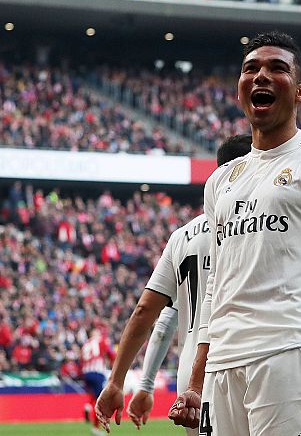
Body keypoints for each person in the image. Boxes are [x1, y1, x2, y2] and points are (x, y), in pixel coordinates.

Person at [170, 31, 301, 436]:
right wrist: (196, 380)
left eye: (276, 68)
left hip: (290, 356)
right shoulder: (222, 180)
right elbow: (216, 287)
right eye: (251, 69)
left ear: (300, 92)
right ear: (239, 90)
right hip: (223, 365)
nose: (261, 75)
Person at [92, 135, 253, 433]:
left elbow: (150, 313)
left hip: (192, 377)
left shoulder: (183, 236)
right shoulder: (260, 226)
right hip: (249, 360)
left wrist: (122, 382)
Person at [82, 327, 116, 435]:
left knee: (93, 395)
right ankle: (95, 428)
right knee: (100, 401)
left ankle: (88, 405)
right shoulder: (101, 340)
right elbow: (111, 355)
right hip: (97, 372)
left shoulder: (85, 344)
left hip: (86, 373)